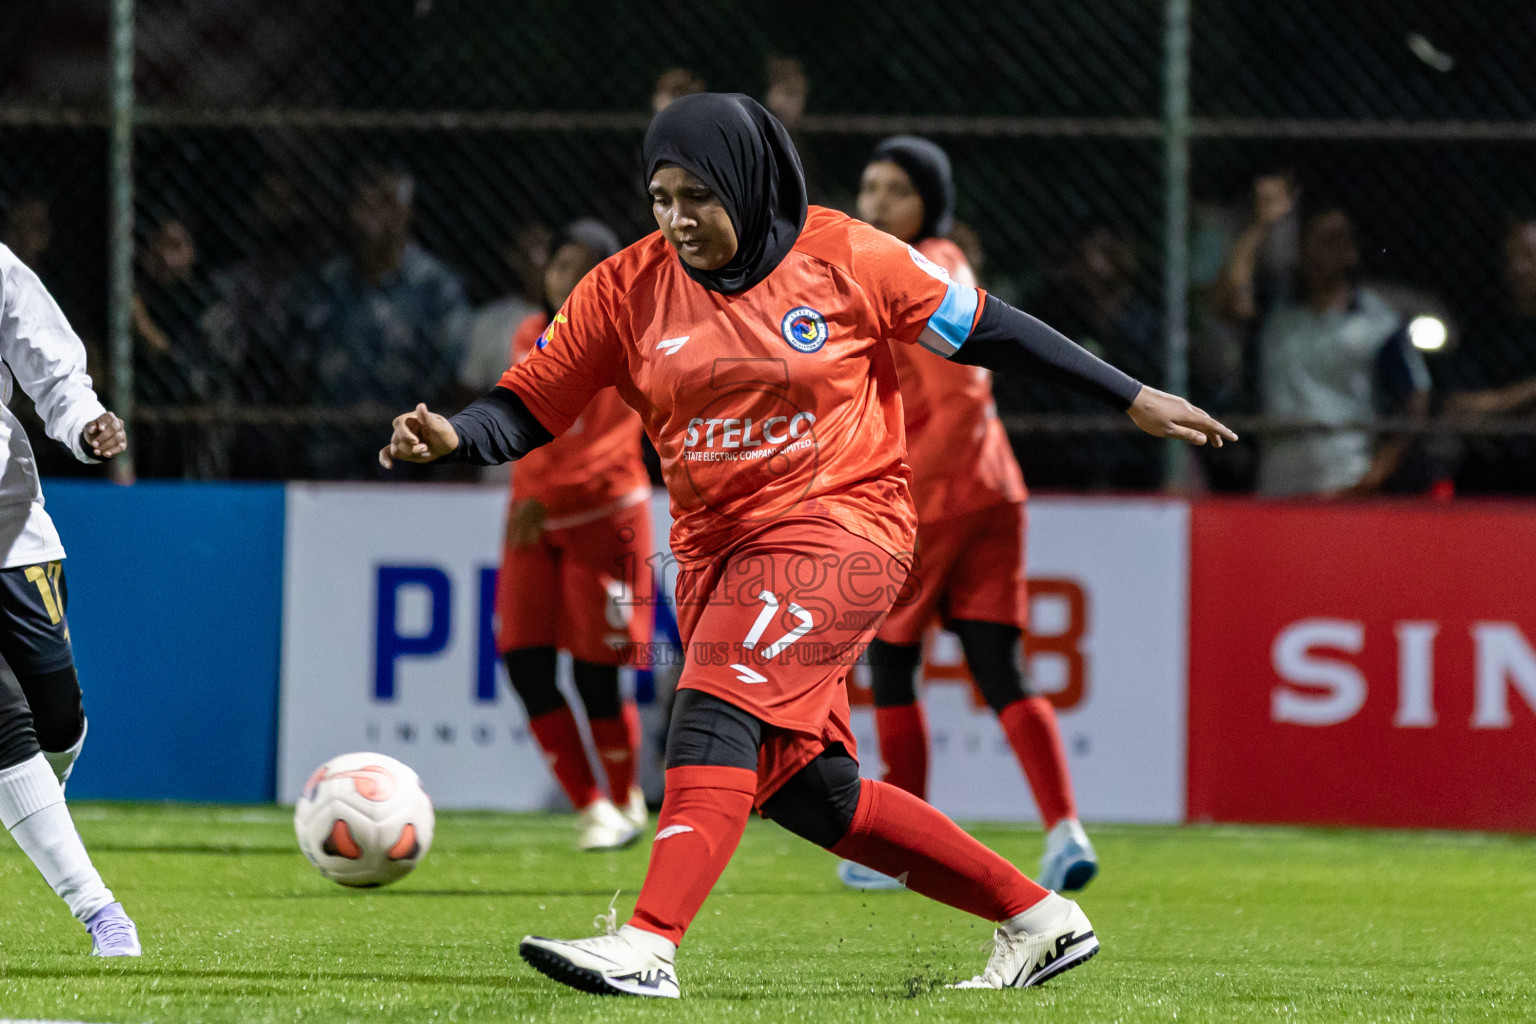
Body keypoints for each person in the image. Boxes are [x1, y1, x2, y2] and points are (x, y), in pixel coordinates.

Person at [380, 94, 1234, 998]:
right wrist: (456, 436)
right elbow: (530, 401)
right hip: (714, 555)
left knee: (710, 704)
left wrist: (1128, 394)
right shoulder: (623, 287)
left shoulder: (847, 254)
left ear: (749, 184)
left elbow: (984, 324)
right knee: (810, 791)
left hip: (845, 526)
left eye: (698, 196)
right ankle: (1038, 919)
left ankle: (648, 943)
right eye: (660, 196)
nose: (676, 218)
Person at [846, 135, 1097, 894]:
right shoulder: (945, 262)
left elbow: (959, 397)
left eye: (896, 190)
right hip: (993, 488)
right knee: (998, 666)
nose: (876, 203)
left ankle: (901, 843)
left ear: (929, 203)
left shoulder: (919, 269)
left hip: (936, 496)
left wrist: (904, 505)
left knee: (892, 659)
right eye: (870, 188)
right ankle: (1065, 830)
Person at [495, 218, 654, 850]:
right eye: (561, 263)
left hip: (601, 524)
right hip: (533, 526)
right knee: (525, 665)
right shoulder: (528, 336)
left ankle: (624, 800)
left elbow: (613, 447)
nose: (567, 276)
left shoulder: (626, 345)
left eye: (585, 265)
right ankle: (591, 806)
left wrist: (542, 496)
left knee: (597, 677)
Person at [0, 243, 139, 956]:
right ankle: (102, 913)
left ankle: (30, 803)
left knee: (57, 722)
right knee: (5, 725)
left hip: (10, 525)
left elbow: (50, 365)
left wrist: (86, 426)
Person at [1212, 187, 1429, 496]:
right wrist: (1260, 226)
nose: (1320, 253)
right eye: (1312, 241)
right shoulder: (1278, 311)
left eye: (1332, 242)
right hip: (1277, 474)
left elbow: (1416, 398)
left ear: (1351, 252)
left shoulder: (1378, 322)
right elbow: (1226, 301)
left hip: (1345, 474)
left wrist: (1377, 472)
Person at [289, 161, 470, 479]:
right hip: (330, 454)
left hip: (409, 456)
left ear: (404, 213)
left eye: (384, 203)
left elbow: (451, 380)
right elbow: (299, 371)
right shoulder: (326, 284)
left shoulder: (436, 287)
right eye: (362, 203)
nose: (370, 215)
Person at [1442, 215, 1536, 493]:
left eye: (1529, 256)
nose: (1519, 268)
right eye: (1512, 257)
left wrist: (1496, 410)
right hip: (1489, 472)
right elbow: (1459, 408)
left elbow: (1482, 410)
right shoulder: (1484, 331)